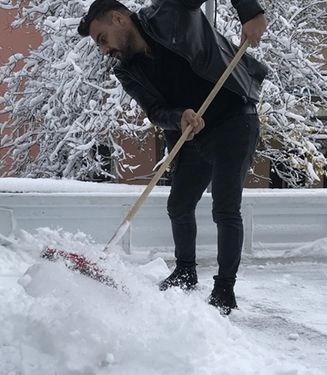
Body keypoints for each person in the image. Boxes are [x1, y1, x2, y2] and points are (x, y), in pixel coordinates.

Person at [78, 0, 267, 314]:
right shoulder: (127, 71)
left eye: (102, 39)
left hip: (234, 117)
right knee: (178, 205)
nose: (103, 49)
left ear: (117, 18)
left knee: (225, 207)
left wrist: (250, 12)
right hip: (192, 132)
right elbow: (155, 110)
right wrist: (179, 117)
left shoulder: (171, 10)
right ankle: (186, 271)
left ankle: (224, 289)